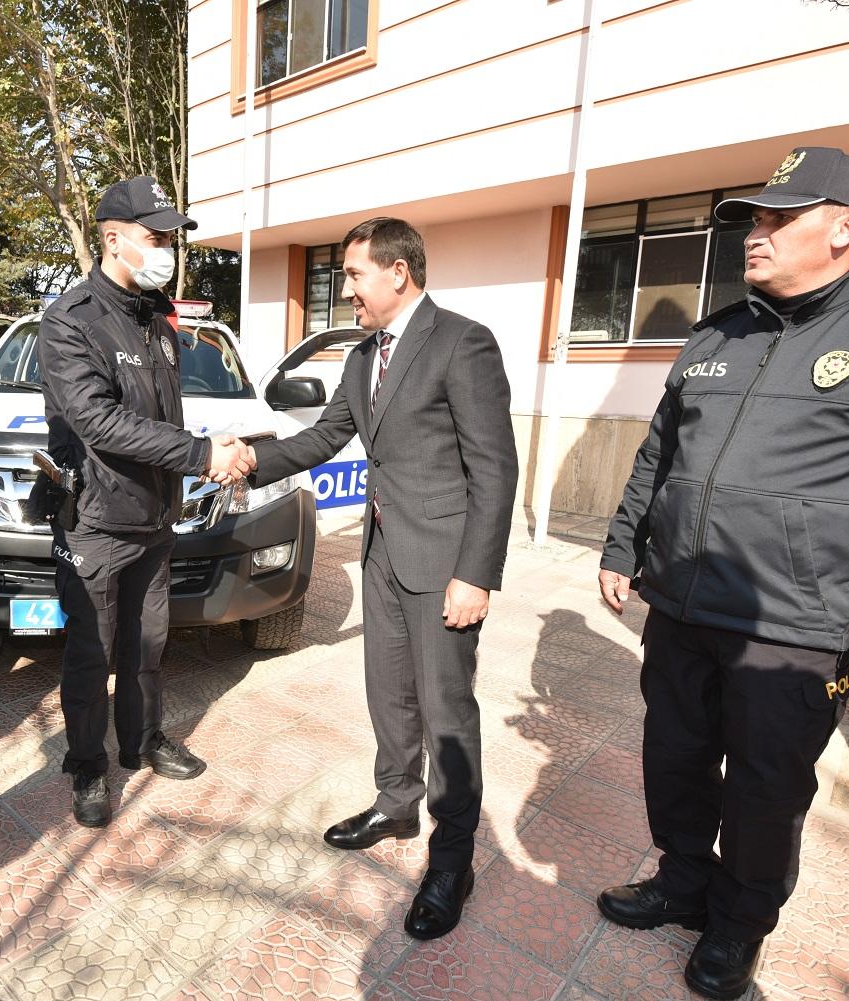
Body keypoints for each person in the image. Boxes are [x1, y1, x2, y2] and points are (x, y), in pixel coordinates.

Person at [596, 147, 849, 1000]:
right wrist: (624, 546)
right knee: (674, 760)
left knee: (766, 792)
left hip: (797, 630)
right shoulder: (717, 334)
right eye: (755, 219)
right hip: (683, 607)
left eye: (781, 217)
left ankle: (739, 925)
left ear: (847, 228)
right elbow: (659, 456)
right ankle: (683, 881)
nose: (757, 234)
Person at [246, 217, 518, 940]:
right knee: (389, 695)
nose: (347, 290)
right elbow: (324, 436)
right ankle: (396, 805)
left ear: (399, 272)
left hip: (444, 566)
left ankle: (452, 860)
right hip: (383, 556)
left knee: (446, 713)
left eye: (355, 274)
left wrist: (475, 574)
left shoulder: (463, 342)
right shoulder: (364, 355)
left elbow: (495, 468)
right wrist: (248, 458)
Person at [36, 175, 253, 828]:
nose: (166, 249)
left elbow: (160, 416)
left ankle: (142, 740)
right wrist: (201, 454)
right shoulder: (70, 320)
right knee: (90, 653)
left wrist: (206, 458)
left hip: (155, 517)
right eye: (155, 237)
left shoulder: (157, 316)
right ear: (112, 239)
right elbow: (99, 422)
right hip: (96, 522)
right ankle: (87, 764)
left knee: (148, 644)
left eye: (169, 238)